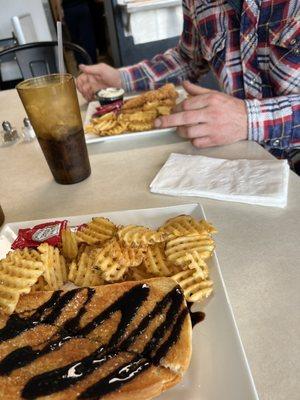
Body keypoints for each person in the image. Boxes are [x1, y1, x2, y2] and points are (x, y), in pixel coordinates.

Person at [76, 0, 300, 153]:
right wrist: (121, 78)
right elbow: (188, 58)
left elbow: (245, 120)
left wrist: (248, 119)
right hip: (240, 159)